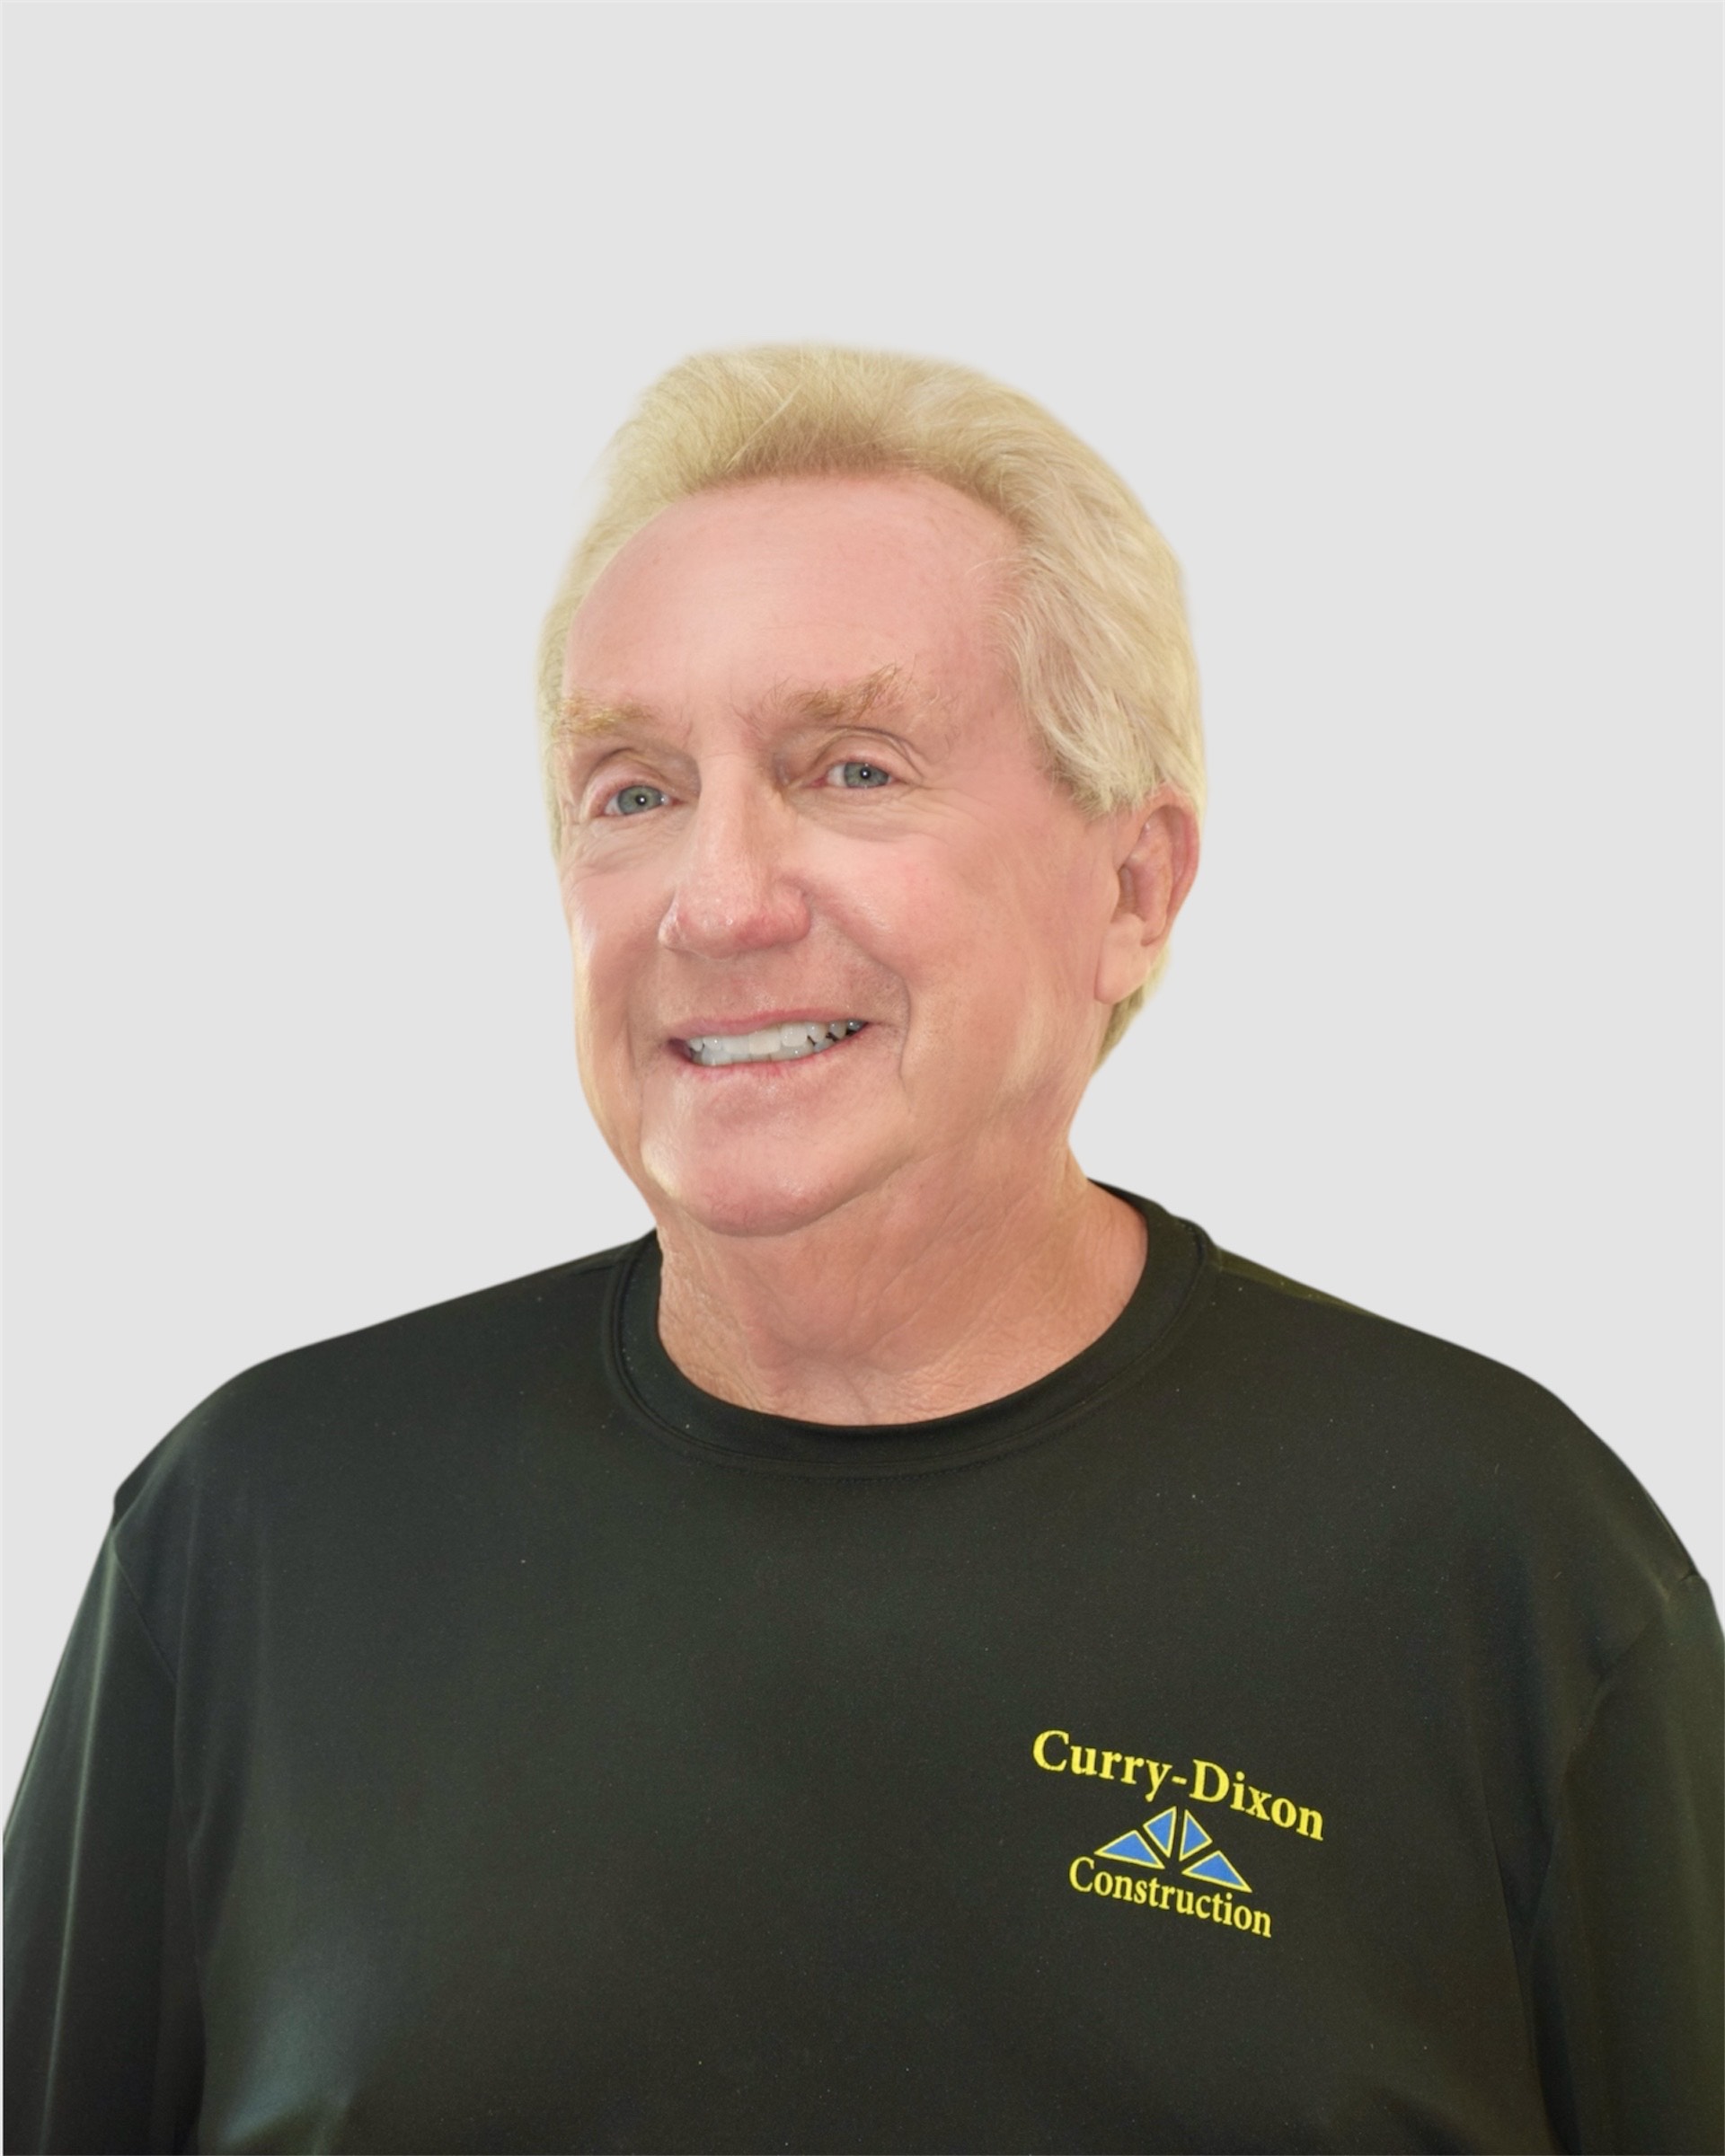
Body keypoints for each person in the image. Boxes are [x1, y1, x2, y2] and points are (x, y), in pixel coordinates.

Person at [5, 345, 1720, 2156]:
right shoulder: (264, 1532)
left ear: (1133, 889)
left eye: (851, 768)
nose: (719, 898)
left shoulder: (1494, 1562)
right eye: (633, 791)